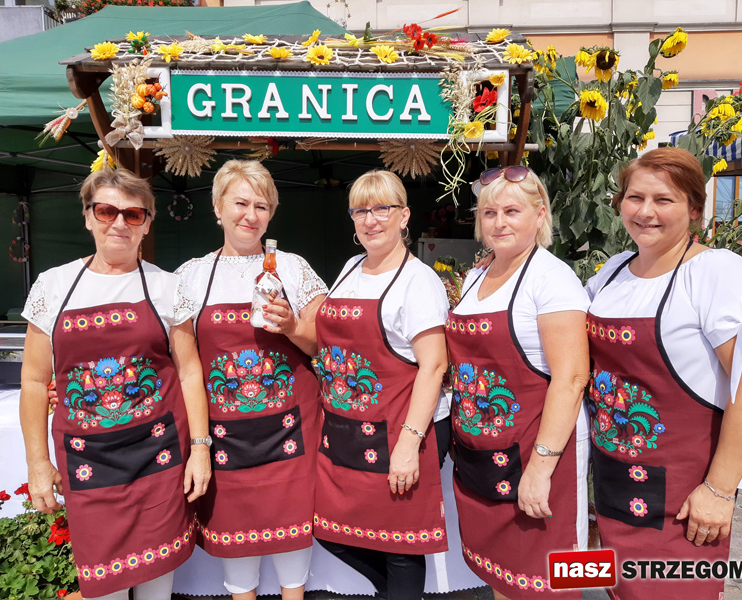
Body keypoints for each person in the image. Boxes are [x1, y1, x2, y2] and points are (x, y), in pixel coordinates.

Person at [585, 147, 742, 599]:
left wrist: (719, 490)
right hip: (613, 481)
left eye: (664, 200)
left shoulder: (717, 273)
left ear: (694, 209)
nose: (645, 212)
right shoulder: (612, 272)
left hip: (684, 496)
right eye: (635, 197)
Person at [20, 169, 211, 600]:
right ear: (88, 217)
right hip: (88, 463)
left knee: (156, 587)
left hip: (158, 459)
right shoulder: (54, 285)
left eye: (133, 214)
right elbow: (33, 380)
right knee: (103, 587)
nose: (119, 223)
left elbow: (189, 372)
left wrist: (200, 449)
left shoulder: (167, 287)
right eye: (107, 211)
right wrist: (37, 463)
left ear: (147, 224)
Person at [175, 160, 327, 600]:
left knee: (292, 535)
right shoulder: (191, 276)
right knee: (235, 535)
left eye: (261, 206)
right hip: (223, 434)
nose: (250, 215)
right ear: (218, 208)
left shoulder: (293, 268)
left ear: (271, 214)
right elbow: (178, 361)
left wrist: (292, 326)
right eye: (240, 203)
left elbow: (324, 345)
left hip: (291, 428)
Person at [446, 166, 589, 599]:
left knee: (556, 579)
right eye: (489, 213)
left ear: (540, 214)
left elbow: (572, 376)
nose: (499, 223)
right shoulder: (478, 275)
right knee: (503, 576)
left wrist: (541, 469)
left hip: (540, 454)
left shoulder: (552, 279)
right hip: (485, 458)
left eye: (512, 211)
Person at [313, 170, 449, 600]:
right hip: (349, 427)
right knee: (331, 529)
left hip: (402, 426)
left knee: (400, 543)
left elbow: (434, 366)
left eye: (381, 209)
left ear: (404, 216)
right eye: (360, 211)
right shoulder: (350, 267)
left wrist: (409, 444)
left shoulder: (418, 282)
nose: (370, 220)